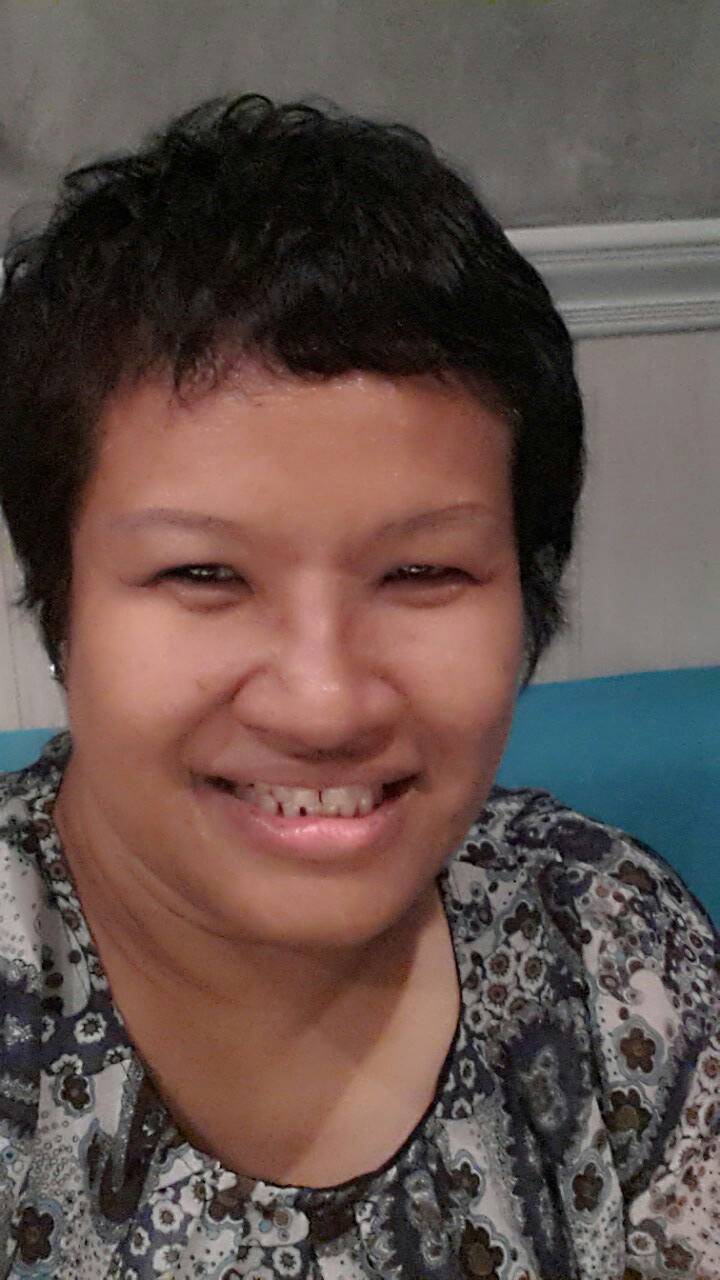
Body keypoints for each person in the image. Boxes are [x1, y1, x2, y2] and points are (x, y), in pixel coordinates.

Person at [0, 94, 717, 1280]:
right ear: (59, 597)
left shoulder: (611, 949)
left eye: (423, 571)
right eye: (203, 573)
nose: (325, 704)